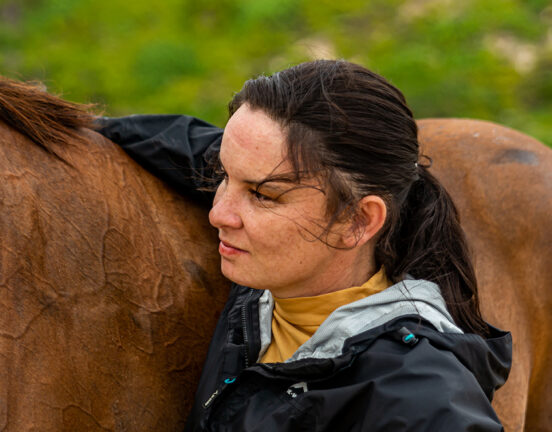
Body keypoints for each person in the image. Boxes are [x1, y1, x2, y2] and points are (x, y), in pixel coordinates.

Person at [97, 60, 511, 431]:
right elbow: (189, 146)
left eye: (262, 195)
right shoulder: (280, 263)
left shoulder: (421, 401)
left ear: (358, 221)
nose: (219, 213)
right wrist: (82, 127)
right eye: (224, 176)